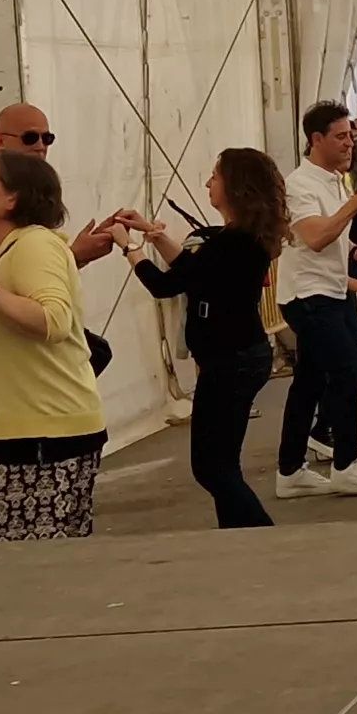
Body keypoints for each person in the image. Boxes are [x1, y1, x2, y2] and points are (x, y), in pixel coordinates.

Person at [120, 148, 286, 526]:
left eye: (215, 176)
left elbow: (166, 285)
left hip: (230, 361)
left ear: (236, 186)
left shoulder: (234, 242)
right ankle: (237, 535)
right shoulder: (239, 238)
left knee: (212, 468)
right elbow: (194, 270)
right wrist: (152, 234)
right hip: (239, 356)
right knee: (222, 464)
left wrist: (128, 247)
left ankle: (261, 535)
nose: (208, 183)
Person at [0, 150, 106, 541]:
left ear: (12, 198)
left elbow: (53, 319)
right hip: (27, 435)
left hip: (45, 437)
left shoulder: (34, 244)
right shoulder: (7, 250)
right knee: (31, 561)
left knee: (21, 563)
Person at [273, 104, 357, 498]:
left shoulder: (334, 180)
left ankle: (290, 471)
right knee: (348, 368)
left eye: (351, 136)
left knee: (310, 380)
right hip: (308, 295)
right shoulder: (299, 185)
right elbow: (314, 237)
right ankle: (346, 463)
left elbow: (331, 236)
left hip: (331, 288)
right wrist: (356, 204)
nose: (349, 144)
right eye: (341, 136)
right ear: (316, 139)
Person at [0, 103, 123, 268]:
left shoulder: (40, 189)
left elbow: (39, 265)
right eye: (30, 138)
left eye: (47, 139)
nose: (40, 146)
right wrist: (75, 255)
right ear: (0, 141)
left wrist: (79, 254)